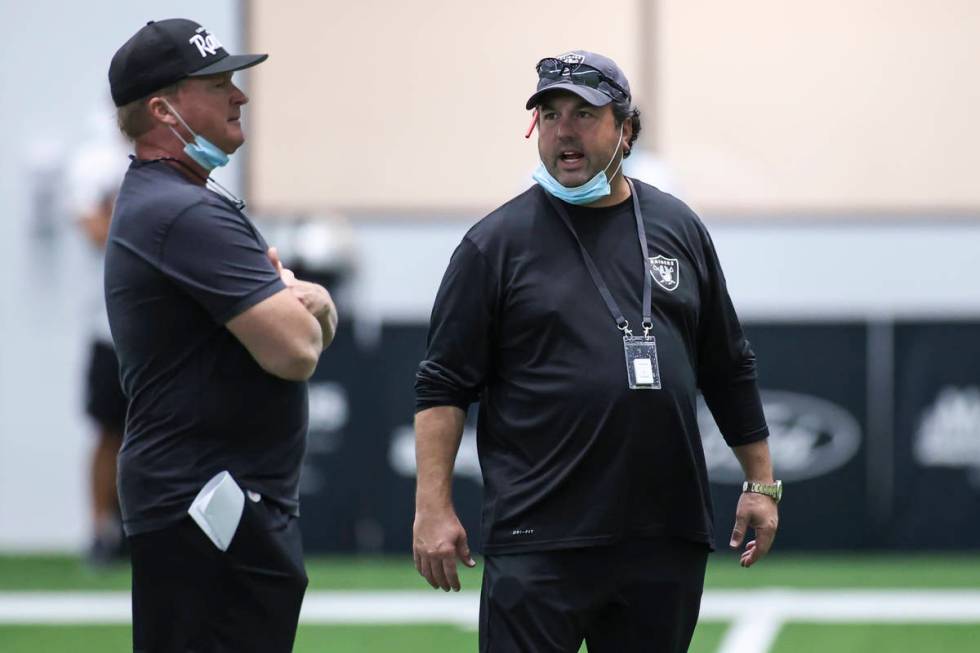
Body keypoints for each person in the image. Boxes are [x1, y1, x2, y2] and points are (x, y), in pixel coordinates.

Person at [413, 50, 781, 652]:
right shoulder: (493, 245)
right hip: (539, 539)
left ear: (626, 130)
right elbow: (443, 385)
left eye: (584, 113)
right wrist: (433, 508)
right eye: (551, 114)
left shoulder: (678, 228)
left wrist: (760, 484)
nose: (564, 130)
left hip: (662, 538)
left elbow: (728, 364)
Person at [105, 18, 337, 652]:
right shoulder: (182, 211)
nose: (240, 96)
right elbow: (296, 350)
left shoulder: (179, 201)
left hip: (213, 501)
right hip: (208, 504)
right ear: (164, 108)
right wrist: (301, 305)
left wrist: (307, 305)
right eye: (218, 82)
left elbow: (311, 320)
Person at [65, 118, 131, 566]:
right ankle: (100, 529)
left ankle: (142, 527)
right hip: (110, 325)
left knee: (161, 432)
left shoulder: (178, 155)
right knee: (109, 430)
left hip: (164, 328)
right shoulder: (98, 159)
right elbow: (91, 227)